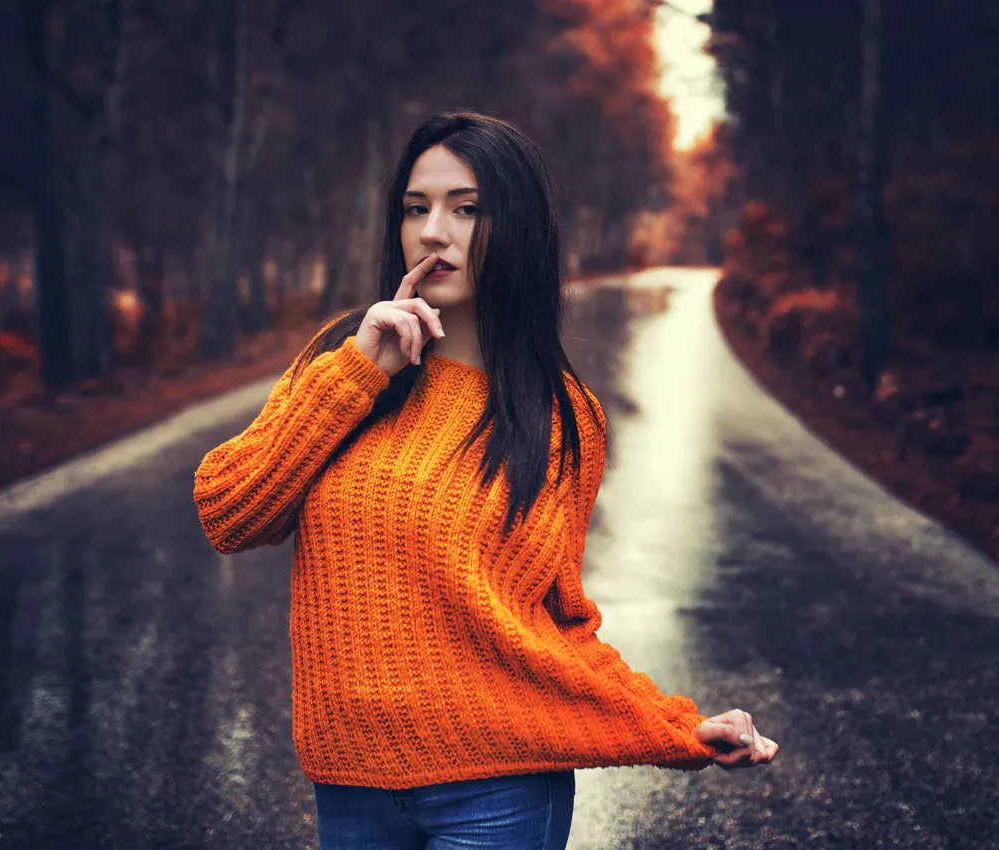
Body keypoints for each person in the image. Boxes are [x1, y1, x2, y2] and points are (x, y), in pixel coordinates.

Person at [192, 111, 778, 850]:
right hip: (349, 787)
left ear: (518, 228)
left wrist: (674, 722)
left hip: (497, 790)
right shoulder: (346, 357)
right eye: (416, 208)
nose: (433, 231)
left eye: (466, 209)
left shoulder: (561, 416)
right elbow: (229, 513)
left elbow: (558, 621)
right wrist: (360, 373)